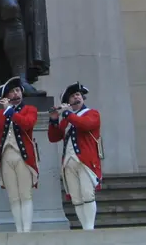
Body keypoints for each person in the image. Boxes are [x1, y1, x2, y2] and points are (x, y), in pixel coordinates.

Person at [0, 77, 39, 233]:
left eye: (17, 90)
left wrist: (9, 111)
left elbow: (27, 124)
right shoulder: (1, 114)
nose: (16, 93)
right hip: (6, 158)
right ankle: (19, 230)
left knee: (25, 195)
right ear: (6, 97)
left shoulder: (30, 109)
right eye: (12, 91)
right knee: (13, 197)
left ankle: (26, 231)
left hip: (23, 157)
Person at [47, 82, 102, 230]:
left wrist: (67, 113)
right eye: (72, 96)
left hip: (85, 161)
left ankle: (89, 229)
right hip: (68, 161)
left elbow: (84, 125)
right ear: (68, 101)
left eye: (78, 94)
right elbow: (54, 137)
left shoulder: (92, 113)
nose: (76, 97)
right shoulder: (67, 119)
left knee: (87, 194)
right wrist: (53, 119)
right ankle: (85, 228)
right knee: (76, 198)